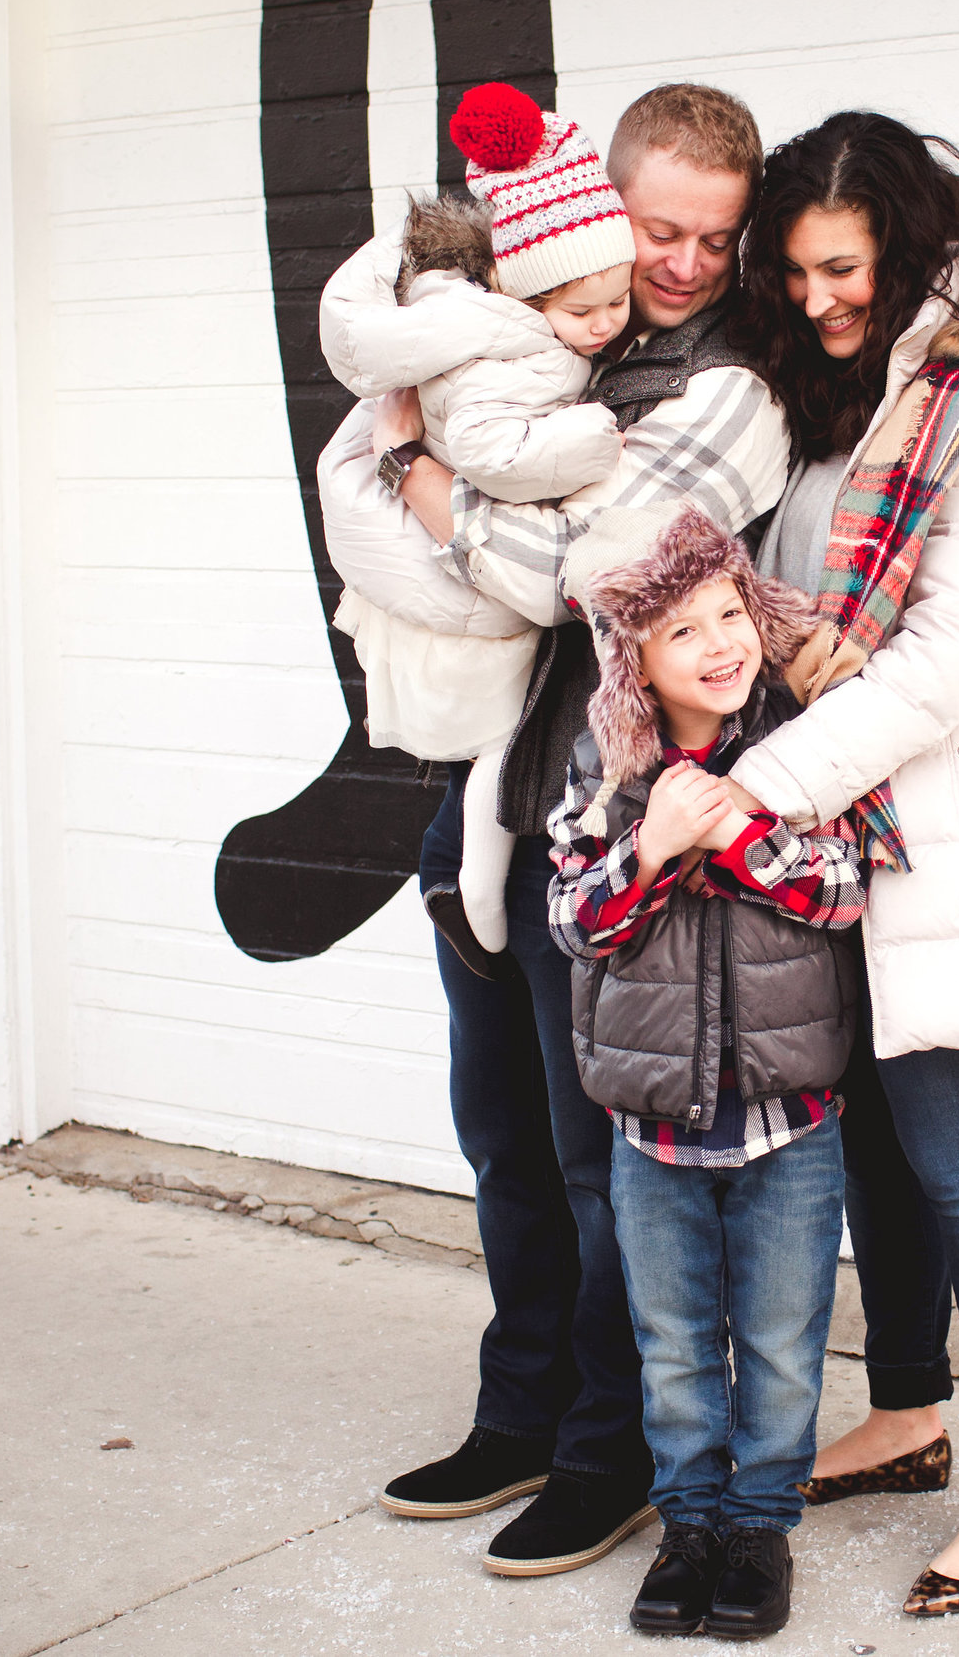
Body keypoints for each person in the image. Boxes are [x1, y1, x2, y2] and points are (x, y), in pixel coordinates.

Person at [335, 82, 792, 1578]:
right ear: (605, 202)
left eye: (713, 239)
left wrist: (428, 483)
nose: (680, 263)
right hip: (482, 808)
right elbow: (373, 449)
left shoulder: (732, 387)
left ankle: (611, 1453)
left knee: (603, 1176)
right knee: (502, 1146)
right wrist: (416, 474)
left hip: (608, 837)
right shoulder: (546, 329)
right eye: (659, 227)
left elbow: (583, 576)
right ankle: (520, 1408)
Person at [726, 111, 959, 1617]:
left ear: (906, 240)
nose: (819, 295)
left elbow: (948, 660)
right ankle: (903, 1410)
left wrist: (754, 786)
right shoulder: (834, 395)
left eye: (843, 266)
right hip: (833, 836)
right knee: (869, 1150)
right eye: (798, 271)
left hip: (943, 828)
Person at [547, 506, 868, 1640]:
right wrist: (651, 847)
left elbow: (843, 890)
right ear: (635, 660)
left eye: (732, 614)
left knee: (781, 1337)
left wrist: (734, 833)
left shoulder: (801, 748)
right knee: (675, 1339)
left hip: (792, 1115)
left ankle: (760, 1523)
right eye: (683, 631)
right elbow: (577, 923)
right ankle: (688, 1523)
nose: (721, 643)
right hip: (656, 1130)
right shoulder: (606, 773)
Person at [318, 81, 635, 968]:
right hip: (463, 565)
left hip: (453, 547)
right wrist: (591, 440)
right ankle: (476, 899)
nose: (607, 326)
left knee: (493, 746)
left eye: (620, 300)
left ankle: (461, 889)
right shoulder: (508, 348)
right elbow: (496, 452)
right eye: (584, 310)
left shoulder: (497, 324)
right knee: (501, 744)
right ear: (525, 295)